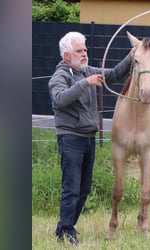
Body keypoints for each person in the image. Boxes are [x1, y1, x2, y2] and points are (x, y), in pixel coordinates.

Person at [48, 31, 133, 246]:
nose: (85, 53)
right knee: (71, 189)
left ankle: (64, 228)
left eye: (85, 49)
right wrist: (85, 82)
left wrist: (131, 57)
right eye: (79, 50)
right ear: (67, 56)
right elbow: (59, 100)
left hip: (87, 139)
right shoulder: (60, 77)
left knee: (83, 189)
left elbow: (113, 74)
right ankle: (67, 231)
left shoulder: (87, 70)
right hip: (71, 139)